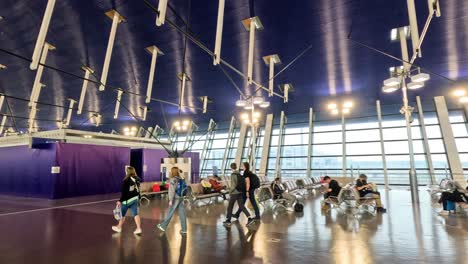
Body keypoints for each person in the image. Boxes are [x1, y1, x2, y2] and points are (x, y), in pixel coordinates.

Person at [157, 167, 187, 235]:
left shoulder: (173, 180)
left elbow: (171, 190)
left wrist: (170, 200)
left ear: (173, 172)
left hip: (175, 198)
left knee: (170, 212)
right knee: (182, 213)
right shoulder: (181, 179)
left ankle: (163, 226)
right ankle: (184, 229)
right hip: (181, 197)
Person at [112, 166, 142, 235]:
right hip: (135, 199)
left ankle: (119, 227)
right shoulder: (137, 179)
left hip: (127, 201)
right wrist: (139, 198)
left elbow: (124, 192)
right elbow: (138, 190)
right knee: (136, 214)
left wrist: (120, 200)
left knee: (122, 214)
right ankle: (138, 228)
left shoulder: (126, 180)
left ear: (127, 172)